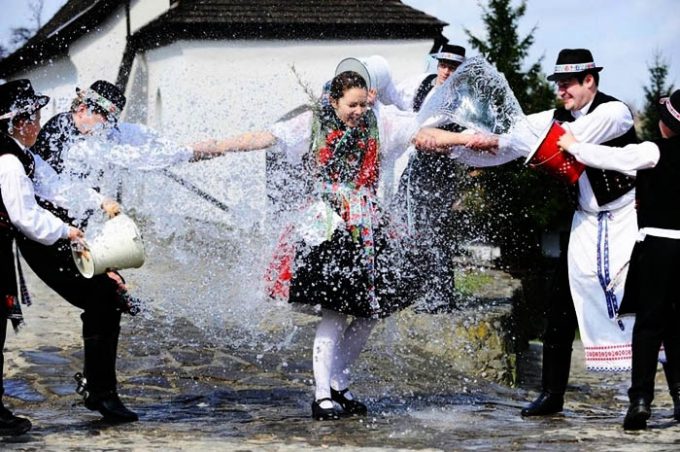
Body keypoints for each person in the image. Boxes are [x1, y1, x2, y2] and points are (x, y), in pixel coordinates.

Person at [193, 68, 472, 420]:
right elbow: (261, 138)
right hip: (328, 228)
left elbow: (420, 134)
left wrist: (467, 139)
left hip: (368, 227)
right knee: (335, 313)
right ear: (334, 101)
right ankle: (322, 394)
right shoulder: (311, 124)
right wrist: (206, 149)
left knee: (372, 311)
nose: (358, 111)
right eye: (351, 105)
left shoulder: (379, 124)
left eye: (362, 104)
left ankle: (340, 382)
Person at [415, 48, 644, 416]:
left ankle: (658, 396)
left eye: (567, 84)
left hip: (627, 219)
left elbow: (562, 142)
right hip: (585, 220)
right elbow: (512, 138)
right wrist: (456, 143)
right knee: (561, 308)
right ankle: (552, 395)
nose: (560, 91)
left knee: (648, 307)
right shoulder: (554, 116)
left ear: (590, 81)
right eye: (558, 84)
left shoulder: (613, 112)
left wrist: (495, 141)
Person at [16, 80, 139, 423]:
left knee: (108, 297)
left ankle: (100, 389)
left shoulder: (86, 136)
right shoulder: (58, 134)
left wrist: (102, 255)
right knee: (105, 296)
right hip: (44, 236)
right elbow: (54, 196)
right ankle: (100, 392)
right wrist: (91, 255)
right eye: (105, 121)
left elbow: (83, 201)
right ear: (84, 109)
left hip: (70, 235)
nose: (107, 130)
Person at [557, 89, 680, 430]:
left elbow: (615, 158)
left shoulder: (655, 150)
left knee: (649, 325)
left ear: (667, 124)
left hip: (658, 245)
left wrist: (574, 147)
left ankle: (640, 401)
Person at [0, 79, 84, 435]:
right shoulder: (8, 160)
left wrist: (98, 202)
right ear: (17, 121)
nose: (39, 122)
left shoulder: (21, 154)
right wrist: (66, 232)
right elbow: (25, 216)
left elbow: (56, 186)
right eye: (33, 116)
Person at [393, 43, 468, 311]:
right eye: (444, 65)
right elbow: (396, 95)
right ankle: (410, 286)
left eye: (453, 67)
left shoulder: (463, 99)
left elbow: (434, 126)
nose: (447, 71)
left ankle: (440, 295)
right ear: (437, 64)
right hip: (415, 165)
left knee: (434, 230)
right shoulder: (422, 84)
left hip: (442, 168)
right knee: (400, 218)